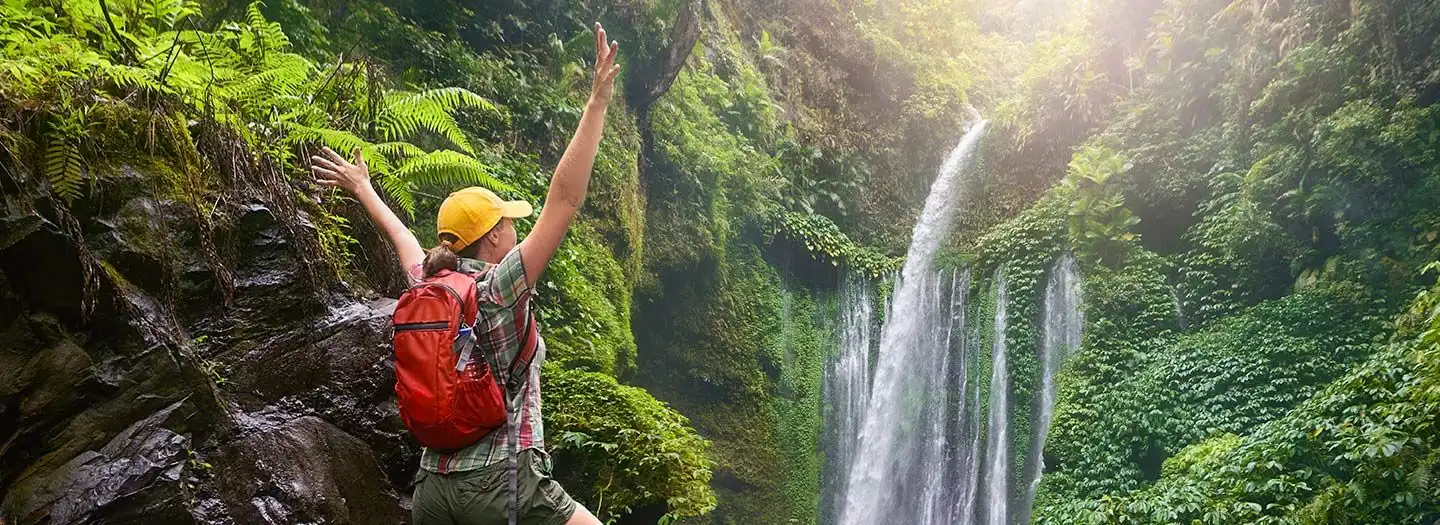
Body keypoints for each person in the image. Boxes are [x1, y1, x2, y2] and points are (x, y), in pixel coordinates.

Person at [308, 22, 622, 525]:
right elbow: (564, 200)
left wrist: (363, 187)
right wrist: (597, 104)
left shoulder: (428, 283)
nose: (516, 231)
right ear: (493, 237)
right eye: (509, 224)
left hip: (433, 487)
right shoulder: (500, 287)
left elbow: (401, 236)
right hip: (501, 483)